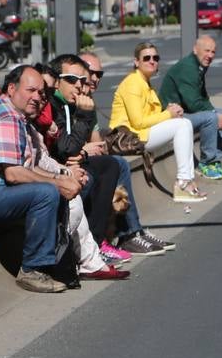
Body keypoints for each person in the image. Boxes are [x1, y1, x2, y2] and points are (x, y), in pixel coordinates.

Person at [0, 65, 86, 293]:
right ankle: (32, 270)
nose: (37, 97)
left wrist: (62, 176)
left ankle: (56, 264)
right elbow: (14, 174)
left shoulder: (14, 115)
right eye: (30, 90)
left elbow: (27, 168)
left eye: (41, 93)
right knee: (46, 193)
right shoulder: (5, 117)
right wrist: (57, 183)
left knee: (53, 189)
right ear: (11, 89)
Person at [47, 52, 172, 259]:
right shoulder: (62, 104)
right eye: (87, 75)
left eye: (97, 75)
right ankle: (102, 242)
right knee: (97, 174)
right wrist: (84, 142)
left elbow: (95, 140)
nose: (92, 80)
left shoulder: (83, 101)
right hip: (58, 167)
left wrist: (89, 145)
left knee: (116, 164)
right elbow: (67, 148)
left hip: (75, 159)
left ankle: (129, 233)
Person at [109, 42, 206, 203]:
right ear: (136, 62)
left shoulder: (146, 84)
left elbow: (150, 118)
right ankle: (183, 184)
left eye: (155, 58)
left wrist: (169, 112)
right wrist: (168, 114)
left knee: (183, 123)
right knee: (182, 125)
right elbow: (139, 122)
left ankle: (186, 181)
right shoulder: (133, 83)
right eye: (146, 58)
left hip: (140, 135)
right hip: (127, 138)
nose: (152, 61)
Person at [158, 36, 222, 181]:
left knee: (220, 113)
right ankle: (206, 163)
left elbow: (203, 98)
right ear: (195, 49)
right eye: (207, 51)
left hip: (183, 113)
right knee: (212, 117)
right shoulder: (188, 68)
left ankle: (216, 162)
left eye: (213, 52)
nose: (210, 55)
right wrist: (214, 114)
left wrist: (218, 113)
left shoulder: (198, 67)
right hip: (170, 117)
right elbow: (193, 103)